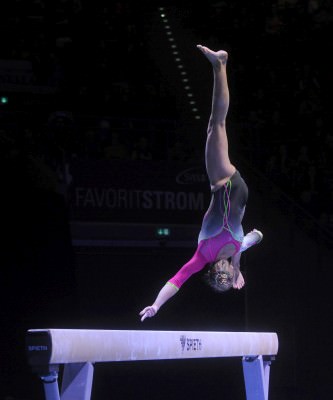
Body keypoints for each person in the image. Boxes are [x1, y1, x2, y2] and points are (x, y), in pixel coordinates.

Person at [139, 44, 263, 322]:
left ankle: (220, 65)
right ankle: (220, 64)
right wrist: (240, 261)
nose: (224, 273)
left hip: (230, 188)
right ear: (230, 271)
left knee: (216, 125)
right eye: (227, 276)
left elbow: (177, 280)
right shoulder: (236, 250)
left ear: (212, 271)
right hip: (228, 186)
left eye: (220, 275)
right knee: (216, 124)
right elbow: (257, 236)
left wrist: (156, 305)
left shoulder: (202, 256)